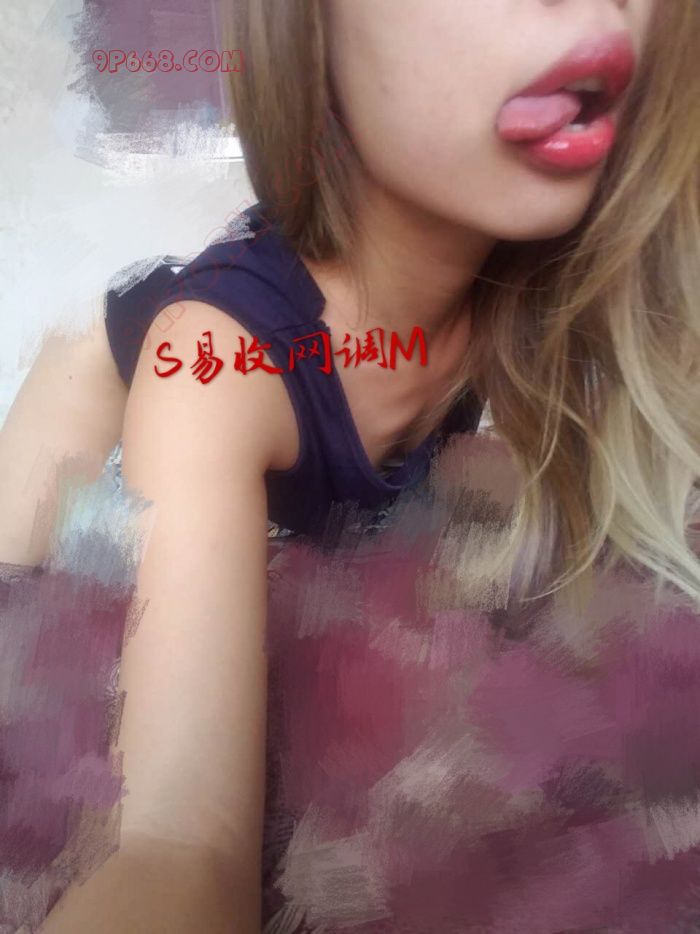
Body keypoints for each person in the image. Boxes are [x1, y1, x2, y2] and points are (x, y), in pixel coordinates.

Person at [0, 0, 697, 930]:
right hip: (115, 375)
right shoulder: (209, 361)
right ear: (306, 27)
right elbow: (175, 844)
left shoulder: (537, 289)